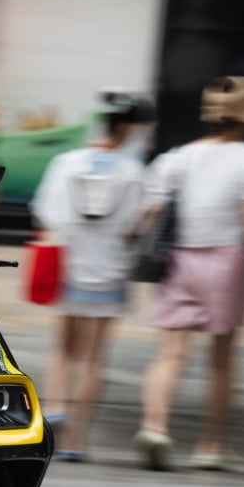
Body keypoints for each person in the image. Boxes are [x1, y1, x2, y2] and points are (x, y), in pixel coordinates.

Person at [134, 76, 244, 471]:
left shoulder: (177, 157)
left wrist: (133, 241)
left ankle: (155, 427)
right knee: (222, 358)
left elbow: (149, 211)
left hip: (178, 259)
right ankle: (211, 444)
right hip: (227, 261)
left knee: (170, 352)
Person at [30, 91, 154, 461]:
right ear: (128, 128)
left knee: (63, 349)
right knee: (93, 356)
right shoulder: (134, 172)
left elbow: (44, 212)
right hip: (109, 271)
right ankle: (76, 441)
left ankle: (55, 408)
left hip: (67, 264)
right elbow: (135, 226)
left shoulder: (66, 163)